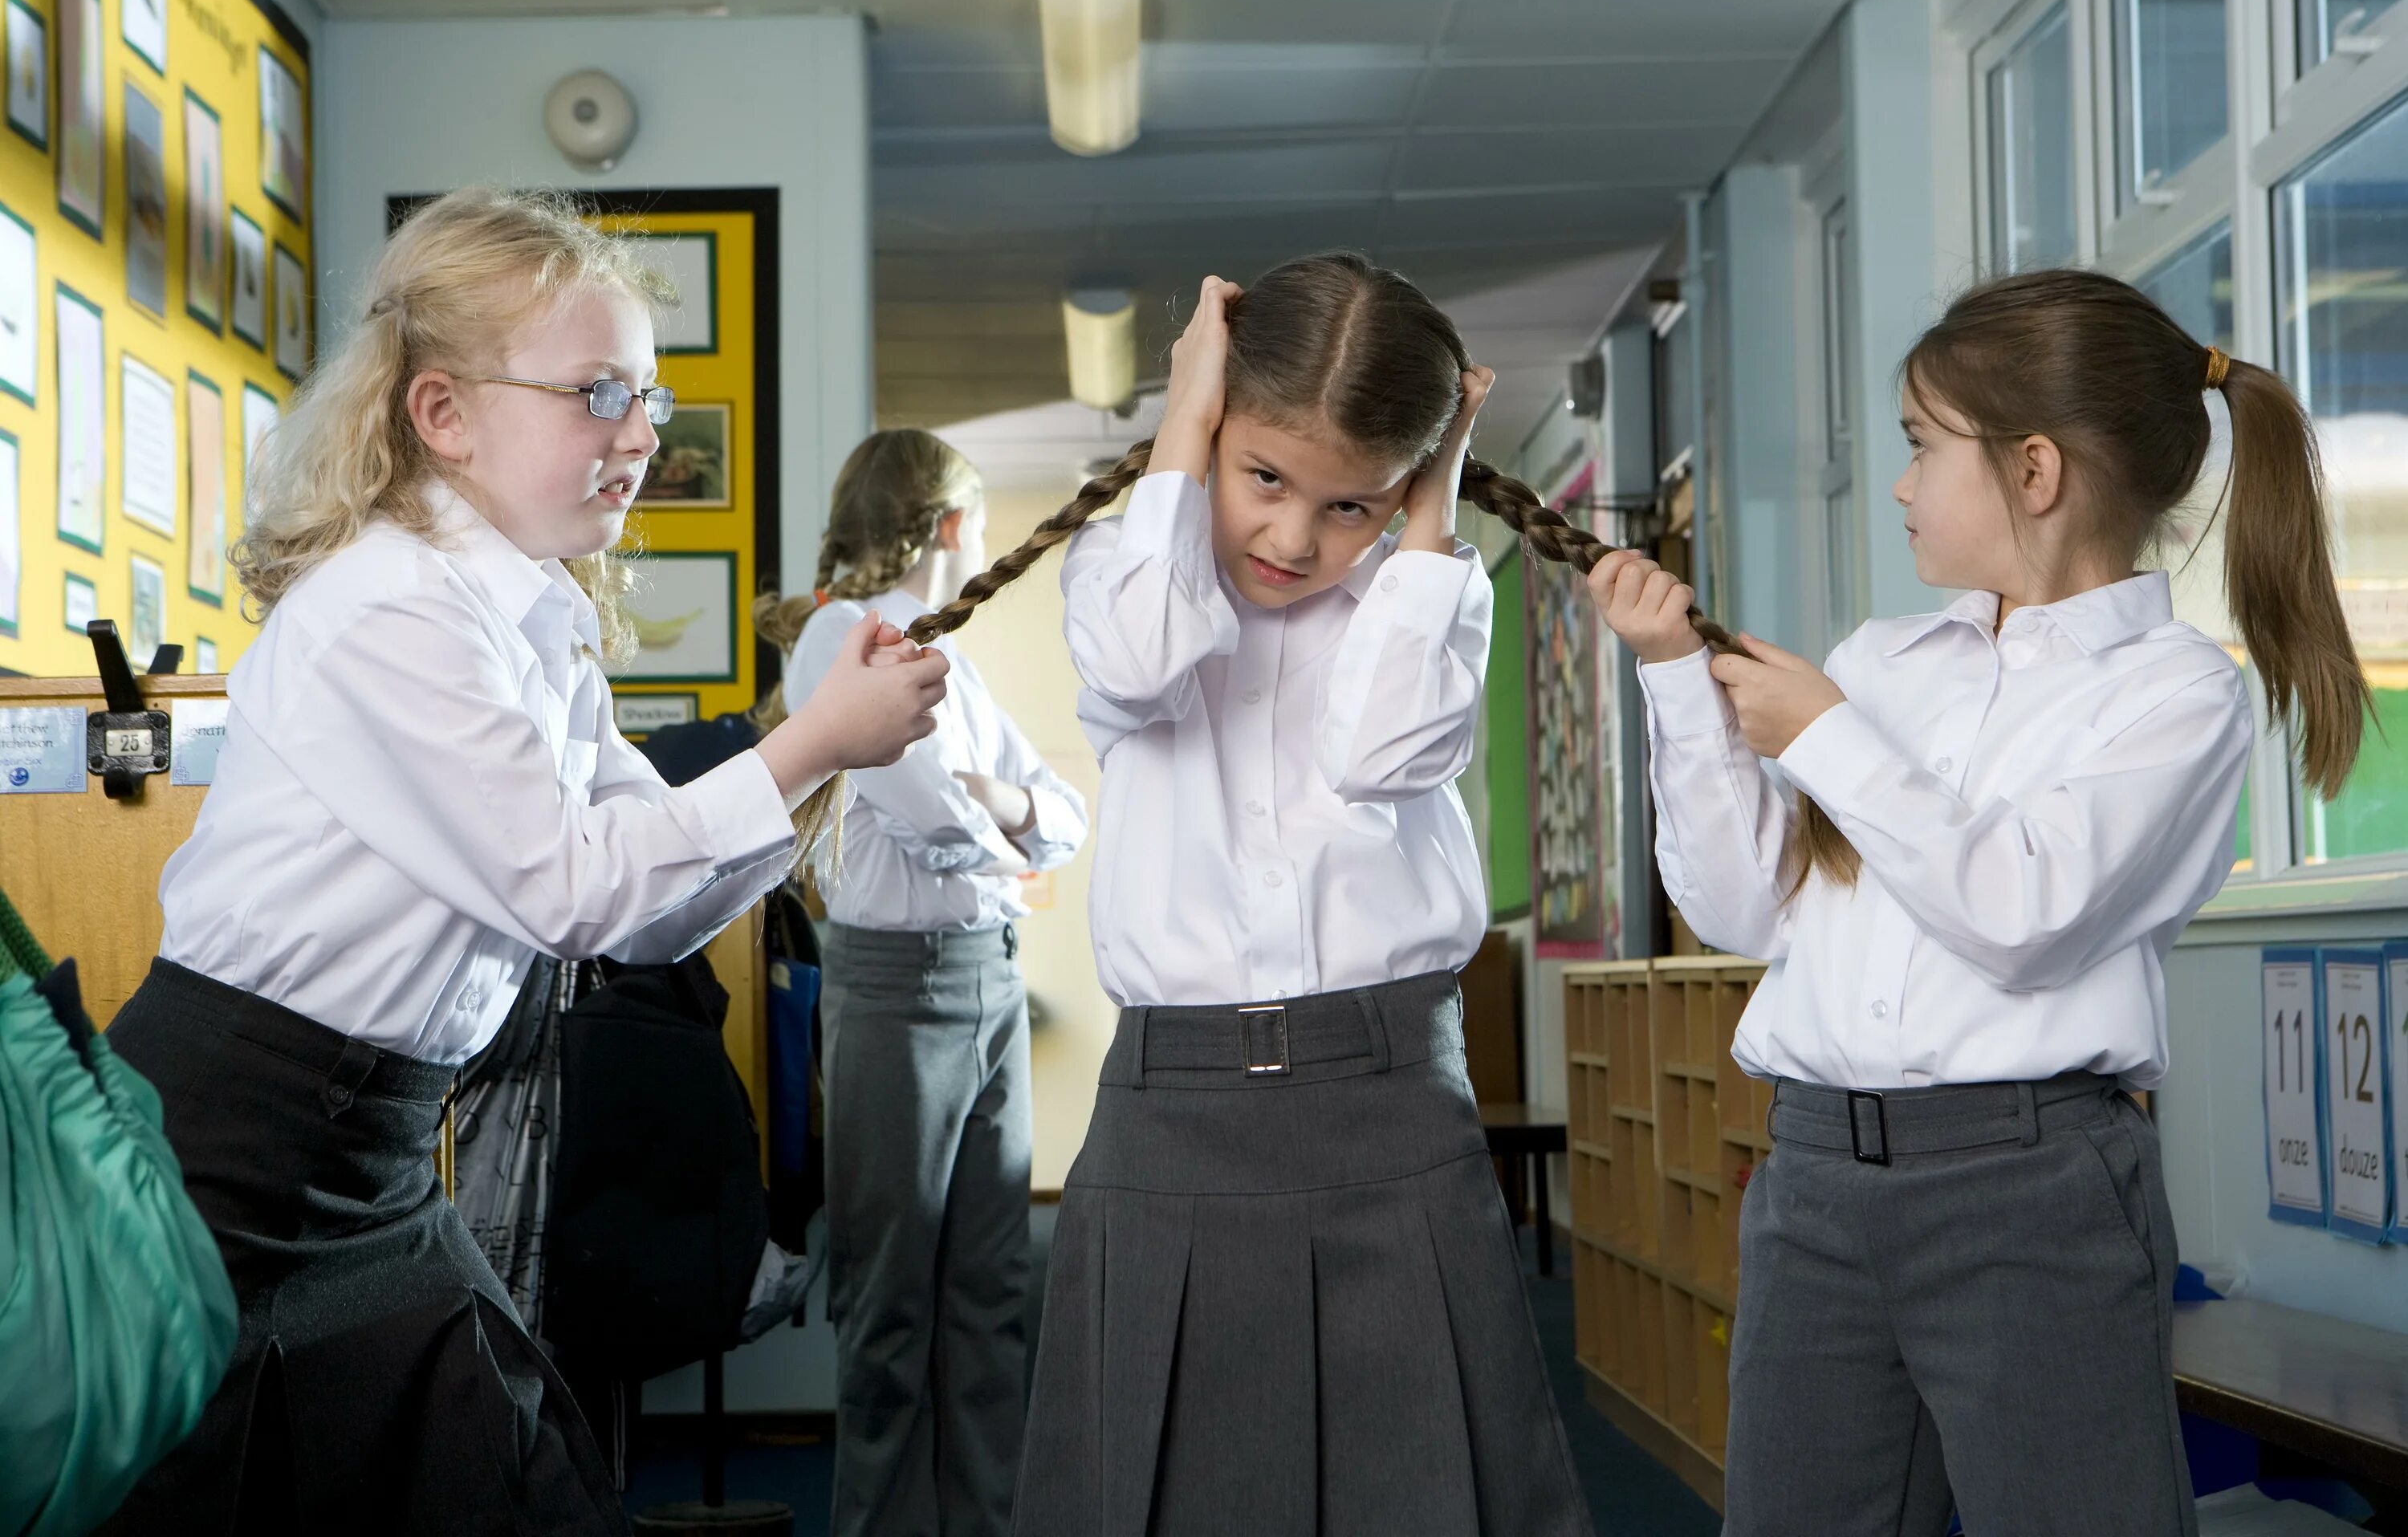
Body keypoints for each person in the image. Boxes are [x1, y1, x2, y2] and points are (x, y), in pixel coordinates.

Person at [99, 186, 950, 1535]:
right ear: (443, 414)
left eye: (650, 400)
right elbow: (576, 890)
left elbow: (646, 918)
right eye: (598, 395)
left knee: (522, 1481)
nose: (638, 438)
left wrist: (819, 743)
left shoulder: (534, 610)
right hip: (228, 1151)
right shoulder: (388, 606)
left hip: (372, 1149)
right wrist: (807, 746)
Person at [1592, 268, 2368, 1535]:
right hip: (1815, 1182)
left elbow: (2025, 914)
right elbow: (1745, 909)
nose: (1899, 483)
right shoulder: (1879, 663)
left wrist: (1833, 739)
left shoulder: (2173, 694)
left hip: (2030, 1193)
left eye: (1918, 446)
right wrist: (1678, 683)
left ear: (2037, 472)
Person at [899, 254, 1595, 1537]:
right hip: (1178, 1110)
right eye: (1263, 478)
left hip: (1391, 1104)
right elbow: (1144, 660)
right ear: (1213, 433)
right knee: (1162, 1497)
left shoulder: (1427, 596)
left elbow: (1390, 755)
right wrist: (1184, 415)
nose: (1292, 537)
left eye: (1350, 507)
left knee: (1431, 1486)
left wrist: (1431, 514)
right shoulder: (1123, 572)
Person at [756, 429, 1089, 1537]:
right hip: (897, 990)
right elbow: (936, 822)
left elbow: (1063, 815)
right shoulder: (841, 643)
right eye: (982, 525)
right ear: (951, 525)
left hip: (988, 983)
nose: (986, 541)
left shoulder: (962, 658)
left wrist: (1005, 809)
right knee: (891, 1306)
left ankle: (984, 1523)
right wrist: (1007, 815)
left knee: (992, 1301)